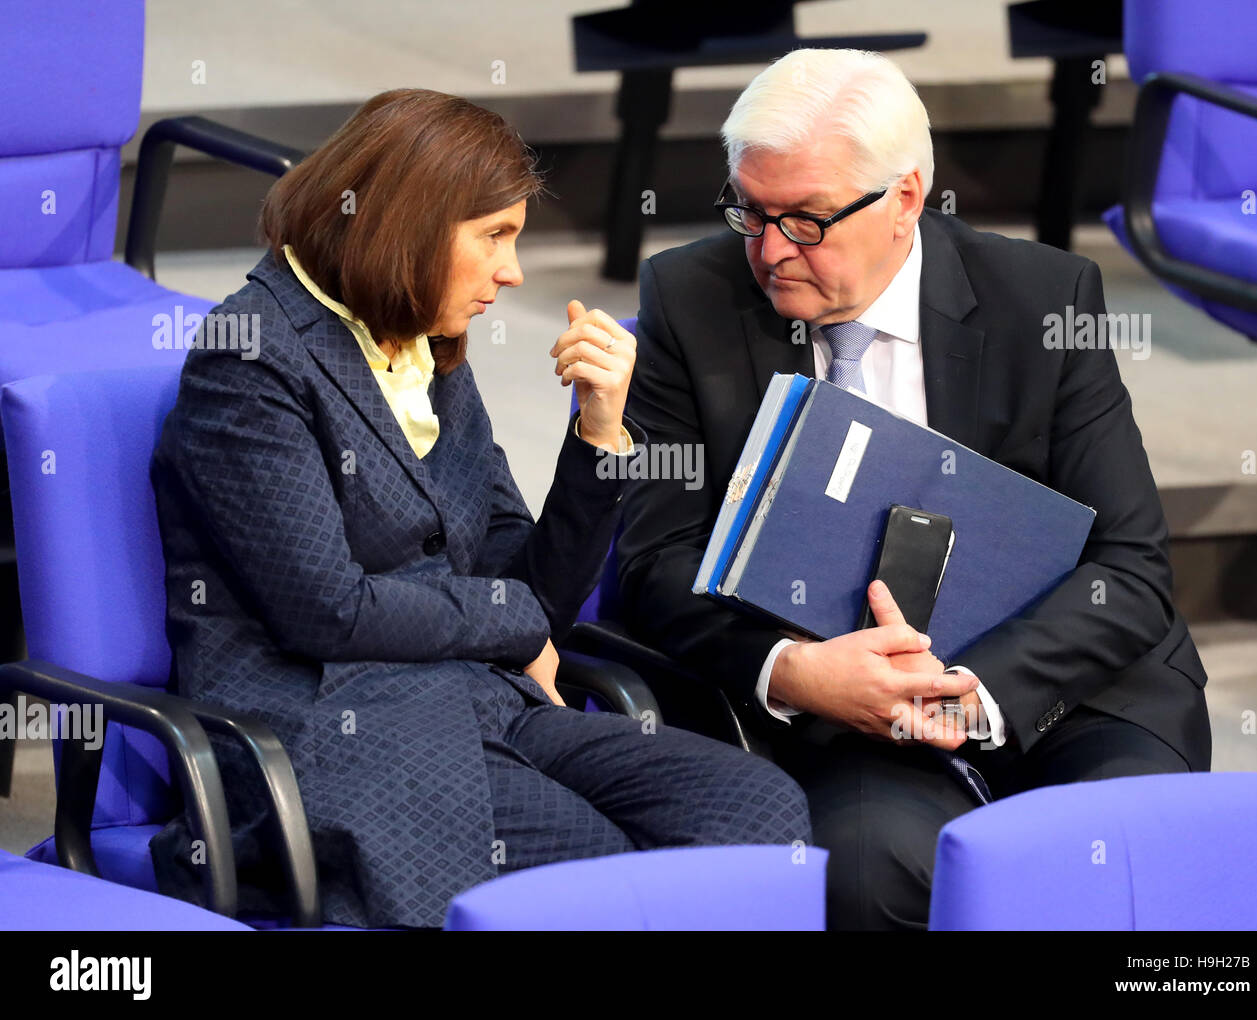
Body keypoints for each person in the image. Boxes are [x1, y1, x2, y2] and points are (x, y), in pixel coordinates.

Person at [148, 88, 811, 929]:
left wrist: (600, 435)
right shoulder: (249, 358)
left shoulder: (427, 344)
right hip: (334, 734)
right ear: (409, 223)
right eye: (495, 236)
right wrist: (513, 626)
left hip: (476, 703)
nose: (514, 272)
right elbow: (330, 611)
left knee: (753, 813)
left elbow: (528, 582)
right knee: (606, 876)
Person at [616, 49, 1211, 930]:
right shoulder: (690, 297)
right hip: (842, 717)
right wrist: (799, 673)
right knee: (864, 876)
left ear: (905, 198)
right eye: (751, 211)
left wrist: (971, 692)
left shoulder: (1043, 298)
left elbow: (1128, 566)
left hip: (1066, 687)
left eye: (808, 220)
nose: (772, 249)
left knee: (1123, 849)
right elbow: (653, 562)